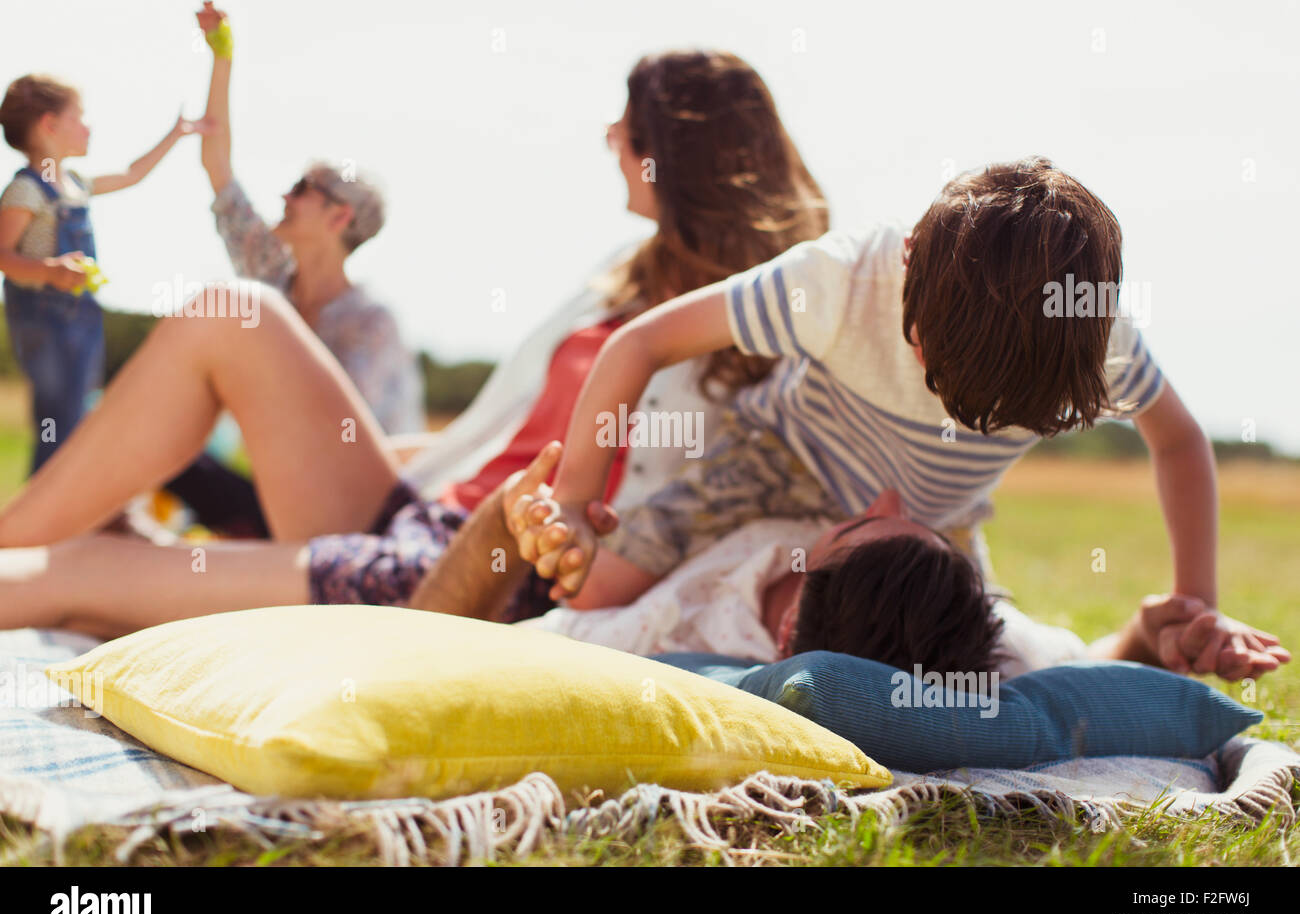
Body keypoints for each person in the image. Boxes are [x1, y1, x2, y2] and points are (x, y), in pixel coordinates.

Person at [0, 49, 829, 635]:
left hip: (471, 578)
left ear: (676, 158)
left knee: (79, 576)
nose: (611, 139)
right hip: (423, 513)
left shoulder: (762, 339)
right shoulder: (625, 280)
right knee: (233, 308)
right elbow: (492, 437)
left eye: (628, 129)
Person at [508, 157, 1280, 677]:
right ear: (907, 262)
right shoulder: (839, 280)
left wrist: (1195, 602)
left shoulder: (1087, 328)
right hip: (780, 460)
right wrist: (573, 501)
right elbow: (641, 343)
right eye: (931, 362)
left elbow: (1177, 441)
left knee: (972, 670)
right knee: (593, 598)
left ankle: (1148, 638)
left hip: (928, 521)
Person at [412, 445, 1286, 682]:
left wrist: (512, 523)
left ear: (789, 631)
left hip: (473, 552)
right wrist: (1150, 628)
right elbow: (1081, 664)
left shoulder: (653, 636)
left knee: (494, 518)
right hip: (631, 522)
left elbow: (448, 654)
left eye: (861, 529)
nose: (889, 501)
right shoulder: (979, 635)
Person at [159, 4, 424, 536]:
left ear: (339, 216)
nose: (284, 194)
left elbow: (352, 450)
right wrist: (221, 55)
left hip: (351, 522)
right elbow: (219, 167)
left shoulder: (370, 323)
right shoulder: (271, 276)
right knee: (160, 446)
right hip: (275, 500)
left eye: (302, 189)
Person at [0, 74, 205, 472]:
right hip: (45, 323)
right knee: (55, 422)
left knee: (75, 418)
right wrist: (50, 271)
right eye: (80, 117)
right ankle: (38, 513)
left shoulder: (75, 184)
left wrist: (176, 134)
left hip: (81, 321)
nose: (88, 127)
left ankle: (63, 510)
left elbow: (132, 174)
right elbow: (2, 255)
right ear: (50, 125)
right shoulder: (26, 191)